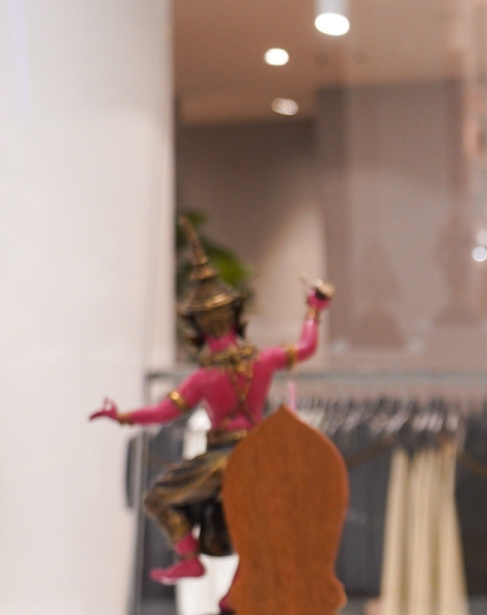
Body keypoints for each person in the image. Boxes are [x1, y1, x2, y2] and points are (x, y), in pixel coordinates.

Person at [90, 219, 331, 583]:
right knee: (254, 530)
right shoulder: (263, 360)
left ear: (199, 327)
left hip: (221, 459)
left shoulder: (203, 379)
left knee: (158, 499)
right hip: (260, 452)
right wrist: (314, 310)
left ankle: (189, 558)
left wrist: (122, 416)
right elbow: (307, 346)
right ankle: (238, 591)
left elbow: (160, 413)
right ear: (235, 317)